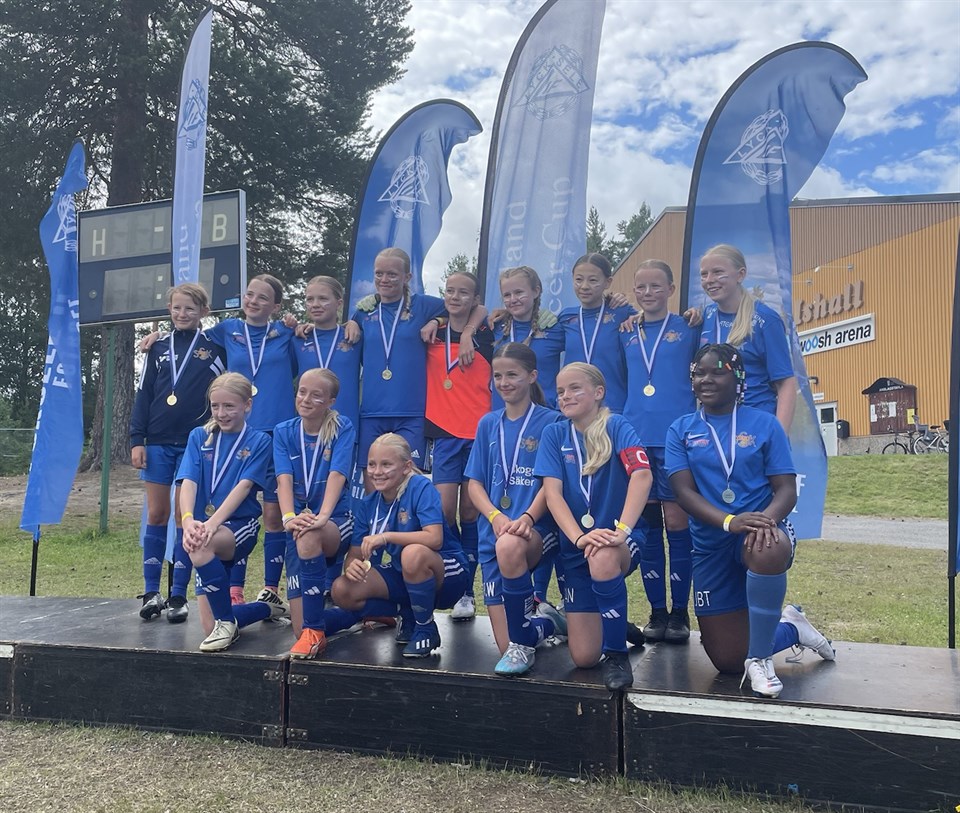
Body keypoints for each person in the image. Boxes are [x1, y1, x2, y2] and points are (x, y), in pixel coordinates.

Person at [665, 344, 835, 698]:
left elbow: (786, 489)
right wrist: (730, 521)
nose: (706, 379)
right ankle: (792, 628)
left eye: (717, 372)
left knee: (766, 547)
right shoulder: (681, 430)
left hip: (758, 530)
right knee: (728, 660)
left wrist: (765, 522)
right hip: (711, 544)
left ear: (739, 379)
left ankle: (760, 659)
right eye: (699, 373)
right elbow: (683, 492)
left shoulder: (765, 424)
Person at [535, 363, 652, 690]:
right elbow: (552, 494)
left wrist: (621, 531)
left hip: (618, 539)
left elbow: (642, 476)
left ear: (598, 392)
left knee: (602, 557)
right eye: (560, 391)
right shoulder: (554, 434)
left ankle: (616, 655)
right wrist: (579, 538)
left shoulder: (617, 425)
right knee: (584, 657)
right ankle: (612, 621)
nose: (565, 396)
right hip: (578, 545)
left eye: (575, 388)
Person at [465, 342, 567, 676]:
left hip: (534, 530)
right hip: (493, 533)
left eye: (513, 374)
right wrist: (495, 516)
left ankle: (529, 637)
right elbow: (474, 484)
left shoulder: (552, 422)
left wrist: (527, 518)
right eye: (498, 376)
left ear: (532, 376)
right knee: (505, 645)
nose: (504, 382)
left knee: (510, 545)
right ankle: (547, 622)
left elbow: (552, 484)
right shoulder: (487, 424)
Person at [343, 248, 484, 489]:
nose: (384, 279)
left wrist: (442, 322)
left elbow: (477, 309)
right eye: (379, 273)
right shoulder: (364, 312)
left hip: (412, 414)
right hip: (372, 413)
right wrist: (351, 322)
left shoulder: (424, 305)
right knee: (373, 485)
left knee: (409, 485)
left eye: (392, 274)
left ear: (407, 277)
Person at [130, 282, 224, 623]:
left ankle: (178, 594)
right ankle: (151, 592)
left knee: (185, 516)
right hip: (156, 440)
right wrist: (136, 439)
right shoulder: (157, 347)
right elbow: (144, 394)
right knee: (157, 513)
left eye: (190, 308)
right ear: (169, 310)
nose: (182, 313)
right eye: (176, 308)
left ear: (204, 312)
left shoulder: (215, 349)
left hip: (193, 442)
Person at [176, 373, 289, 652]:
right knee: (208, 626)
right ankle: (266, 608)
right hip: (205, 526)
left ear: (247, 405)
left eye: (229, 406)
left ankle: (226, 622)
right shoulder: (199, 436)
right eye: (215, 406)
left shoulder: (259, 441)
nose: (221, 413)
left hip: (239, 525)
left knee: (200, 547)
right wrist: (188, 521)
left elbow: (244, 487)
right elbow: (188, 481)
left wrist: (211, 525)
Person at [331, 433, 469, 658]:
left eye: (386, 464)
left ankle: (426, 627)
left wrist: (386, 537)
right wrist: (352, 566)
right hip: (404, 572)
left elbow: (435, 538)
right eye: (372, 464)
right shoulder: (369, 503)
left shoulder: (420, 487)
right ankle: (408, 613)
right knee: (342, 589)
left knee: (412, 554)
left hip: (448, 573)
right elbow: (355, 555)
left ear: (406, 467)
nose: (377, 471)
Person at [620, 260, 700, 643]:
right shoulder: (626, 332)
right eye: (641, 287)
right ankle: (656, 612)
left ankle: (680, 614)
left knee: (677, 524)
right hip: (636, 438)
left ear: (671, 289)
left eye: (656, 286)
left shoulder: (689, 327)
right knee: (649, 527)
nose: (648, 293)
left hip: (676, 438)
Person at [425, 270, 494, 621]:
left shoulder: (486, 331)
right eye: (450, 291)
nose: (455, 297)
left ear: (475, 298)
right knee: (442, 511)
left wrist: (469, 331)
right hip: (444, 432)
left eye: (463, 292)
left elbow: (486, 312)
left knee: (470, 513)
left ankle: (467, 592)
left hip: (479, 432)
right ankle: (455, 577)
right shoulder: (432, 330)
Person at [274, 368, 356, 659]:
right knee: (298, 628)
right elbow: (283, 479)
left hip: (336, 520)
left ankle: (315, 634)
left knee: (309, 535)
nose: (306, 399)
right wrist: (288, 517)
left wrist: (322, 516)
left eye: (316, 395)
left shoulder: (342, 427)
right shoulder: (284, 431)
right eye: (302, 392)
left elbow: (337, 475)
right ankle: (363, 612)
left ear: (330, 401)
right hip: (298, 523)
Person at [698, 244, 796, 428]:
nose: (709, 280)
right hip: (714, 427)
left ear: (740, 275)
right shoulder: (705, 317)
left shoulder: (765, 320)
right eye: (704, 274)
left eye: (718, 272)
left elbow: (785, 383)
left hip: (755, 425)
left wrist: (779, 435)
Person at [558, 253, 634, 414]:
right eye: (579, 280)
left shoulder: (621, 312)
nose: (584, 286)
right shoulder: (566, 317)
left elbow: (649, 320)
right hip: (574, 408)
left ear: (608, 282)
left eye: (593, 280)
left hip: (612, 407)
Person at [490, 265, 564, 409]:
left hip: (544, 414)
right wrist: (468, 330)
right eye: (507, 295)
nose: (513, 299)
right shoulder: (495, 327)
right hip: (503, 415)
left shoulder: (554, 328)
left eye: (519, 292)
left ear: (536, 291)